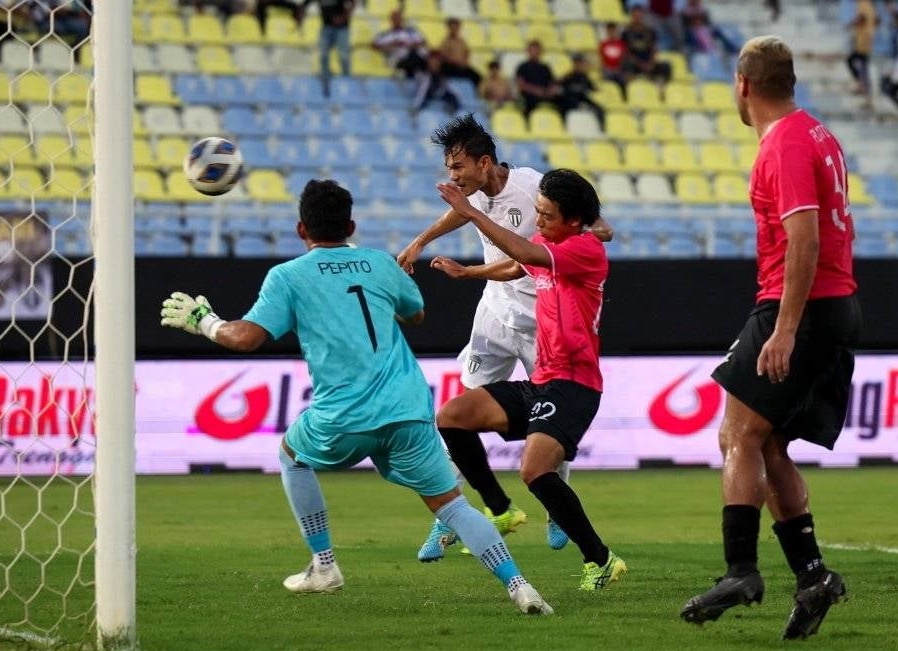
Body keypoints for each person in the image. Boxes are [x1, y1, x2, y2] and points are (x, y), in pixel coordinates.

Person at [159, 179, 552, 616]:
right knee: (453, 507)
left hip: (344, 414)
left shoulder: (288, 277)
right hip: (407, 409)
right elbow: (416, 314)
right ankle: (520, 586)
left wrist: (206, 322)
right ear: (351, 225)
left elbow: (248, 337)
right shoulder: (380, 263)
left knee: (292, 454)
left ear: (300, 230)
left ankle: (324, 565)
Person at [679, 36, 860, 640]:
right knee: (770, 443)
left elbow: (803, 239)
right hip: (835, 305)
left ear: (743, 85)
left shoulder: (781, 143)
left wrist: (783, 328)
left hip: (800, 306)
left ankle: (741, 571)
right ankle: (812, 577)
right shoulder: (816, 133)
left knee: (737, 433)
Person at [395, 114, 613, 562]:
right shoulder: (475, 197)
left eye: (457, 168)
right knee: (462, 414)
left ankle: (557, 507)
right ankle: (451, 515)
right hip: (495, 313)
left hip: (545, 321)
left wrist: (597, 227)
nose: (452, 177)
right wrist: (421, 241)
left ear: (485, 162)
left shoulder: (532, 185)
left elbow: (550, 242)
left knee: (551, 419)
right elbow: (463, 213)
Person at [429, 169, 626, 592]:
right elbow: (518, 265)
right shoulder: (548, 243)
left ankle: (600, 559)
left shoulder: (583, 250)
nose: (538, 222)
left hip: (575, 383)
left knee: (534, 470)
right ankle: (499, 509)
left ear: (573, 221)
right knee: (452, 416)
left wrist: (469, 212)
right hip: (543, 379)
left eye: (547, 216)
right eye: (537, 213)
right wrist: (470, 274)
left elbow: (524, 251)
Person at [620, 6, 673, 90]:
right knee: (626, 65)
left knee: (665, 66)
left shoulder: (650, 31)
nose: (638, 18)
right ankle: (630, 90)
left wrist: (650, 63)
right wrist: (640, 64)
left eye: (639, 16)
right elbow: (626, 52)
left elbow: (654, 49)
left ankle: (661, 90)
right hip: (635, 65)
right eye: (635, 16)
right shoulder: (626, 33)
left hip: (649, 64)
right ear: (632, 16)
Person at [373, 9, 427, 78]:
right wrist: (394, 44)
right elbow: (374, 45)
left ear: (402, 19)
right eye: (394, 18)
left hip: (414, 56)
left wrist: (411, 45)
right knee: (413, 60)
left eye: (399, 18)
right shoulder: (387, 34)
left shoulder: (411, 31)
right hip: (398, 60)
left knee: (426, 57)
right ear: (391, 20)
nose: (397, 20)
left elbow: (423, 42)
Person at [558, 53, 605, 127]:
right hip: (569, 99)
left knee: (599, 109)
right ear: (575, 65)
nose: (580, 66)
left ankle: (602, 127)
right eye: (578, 64)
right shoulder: (568, 76)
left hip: (582, 98)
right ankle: (564, 126)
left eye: (581, 64)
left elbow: (594, 88)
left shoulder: (584, 77)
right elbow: (559, 84)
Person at [515, 40, 560, 117]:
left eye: (537, 50)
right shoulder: (522, 67)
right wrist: (536, 91)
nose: (535, 52)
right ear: (528, 51)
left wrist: (549, 91)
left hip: (545, 94)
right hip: (529, 96)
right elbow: (521, 85)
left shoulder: (545, 67)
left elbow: (551, 83)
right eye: (533, 50)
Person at [438, 17, 481, 87]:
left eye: (456, 27)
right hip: (451, 66)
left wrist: (465, 62)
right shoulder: (445, 42)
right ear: (448, 28)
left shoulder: (462, 41)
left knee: (478, 77)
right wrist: (456, 62)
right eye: (452, 27)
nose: (454, 29)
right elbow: (444, 56)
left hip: (462, 66)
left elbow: (467, 53)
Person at [846, 0, 877, 98]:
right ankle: (864, 86)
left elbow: (862, 17)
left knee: (852, 61)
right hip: (863, 44)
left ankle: (863, 85)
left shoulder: (864, 4)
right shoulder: (868, 5)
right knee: (862, 65)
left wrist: (852, 23)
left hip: (864, 45)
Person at [599, 22, 628, 93]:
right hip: (608, 69)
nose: (612, 33)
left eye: (613, 31)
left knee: (622, 79)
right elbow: (603, 60)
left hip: (619, 69)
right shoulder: (603, 44)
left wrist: (618, 68)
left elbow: (623, 58)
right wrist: (609, 68)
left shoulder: (621, 44)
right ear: (607, 32)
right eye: (610, 31)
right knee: (608, 76)